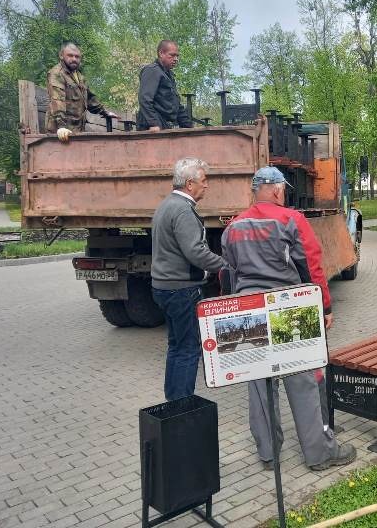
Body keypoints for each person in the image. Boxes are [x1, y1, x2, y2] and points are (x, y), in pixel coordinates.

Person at [221, 166, 356, 472]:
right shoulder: (291, 219)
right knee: (303, 380)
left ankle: (268, 453)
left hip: (248, 314)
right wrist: (324, 307)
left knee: (258, 382)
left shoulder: (233, 227)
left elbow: (227, 273)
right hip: (288, 310)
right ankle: (319, 453)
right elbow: (311, 267)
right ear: (278, 190)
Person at [151, 158, 226, 401]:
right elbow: (195, 252)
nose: (207, 186)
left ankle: (173, 400)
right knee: (189, 349)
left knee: (176, 346)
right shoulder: (183, 210)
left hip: (164, 287)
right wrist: (225, 265)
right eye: (204, 181)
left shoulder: (166, 205)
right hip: (181, 290)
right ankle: (182, 405)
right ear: (190, 183)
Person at [45, 42, 118, 142]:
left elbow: (90, 99)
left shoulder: (79, 76)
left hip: (76, 131)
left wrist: (104, 112)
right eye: (70, 55)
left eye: (77, 56)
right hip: (60, 134)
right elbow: (57, 100)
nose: (74, 59)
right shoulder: (57, 74)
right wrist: (60, 127)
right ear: (61, 56)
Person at [137, 40, 194, 132]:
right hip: (152, 127)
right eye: (172, 55)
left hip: (164, 124)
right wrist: (153, 123)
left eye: (177, 56)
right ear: (161, 53)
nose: (176, 59)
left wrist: (190, 128)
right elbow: (145, 99)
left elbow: (176, 105)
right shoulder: (152, 71)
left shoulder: (169, 75)